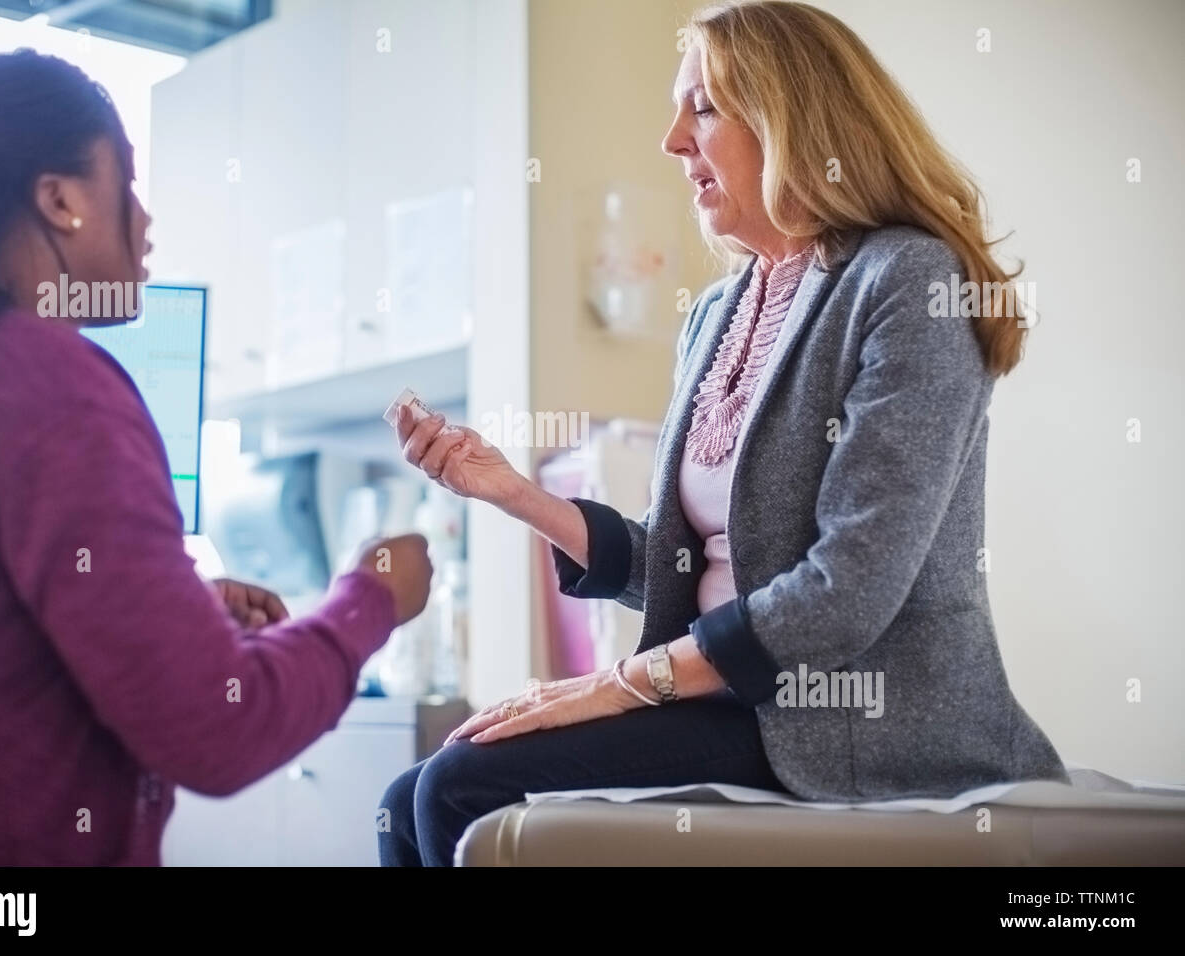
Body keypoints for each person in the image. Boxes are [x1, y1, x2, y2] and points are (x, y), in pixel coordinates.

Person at [381, 0, 1068, 867]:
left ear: (795, 120)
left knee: (459, 786)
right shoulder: (716, 311)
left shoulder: (906, 281)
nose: (672, 139)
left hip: (850, 720)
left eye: (702, 106)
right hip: (730, 701)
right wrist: (512, 491)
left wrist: (620, 687)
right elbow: (681, 571)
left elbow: (846, 591)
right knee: (409, 794)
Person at [0, 49, 432, 865]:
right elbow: (219, 725)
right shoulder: (49, 383)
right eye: (127, 186)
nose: (145, 222)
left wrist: (171, 616)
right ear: (61, 199)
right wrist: (371, 597)